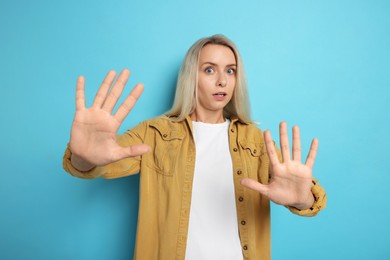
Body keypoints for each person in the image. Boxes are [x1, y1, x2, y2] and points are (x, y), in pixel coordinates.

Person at [63, 34, 326, 260]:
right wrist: (84, 156)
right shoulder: (156, 133)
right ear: (192, 76)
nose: (222, 80)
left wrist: (302, 198)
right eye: (209, 69)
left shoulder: (255, 141)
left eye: (230, 70)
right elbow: (93, 165)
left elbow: (312, 200)